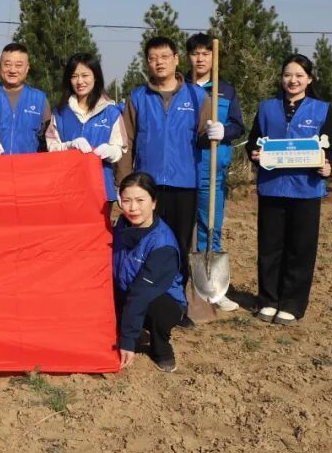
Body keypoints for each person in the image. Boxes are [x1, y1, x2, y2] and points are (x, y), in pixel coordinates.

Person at [245, 55, 332, 326]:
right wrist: (255, 154)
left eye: (299, 75)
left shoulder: (322, 109)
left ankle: (292, 304)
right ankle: (268, 299)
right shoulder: (267, 108)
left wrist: (328, 165)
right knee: (270, 247)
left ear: (309, 79)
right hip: (272, 187)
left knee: (300, 248)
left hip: (306, 190)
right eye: (287, 75)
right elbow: (253, 142)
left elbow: (330, 146)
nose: (292, 80)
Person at [115, 37, 215, 266]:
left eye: (164, 57)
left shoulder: (197, 96)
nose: (159, 62)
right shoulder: (138, 98)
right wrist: (122, 182)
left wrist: (214, 134)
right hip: (146, 185)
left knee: (180, 242)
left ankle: (177, 286)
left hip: (184, 183)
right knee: (145, 241)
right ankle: (145, 284)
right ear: (147, 63)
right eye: (153, 58)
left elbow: (204, 138)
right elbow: (126, 142)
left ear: (176, 59)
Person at [187, 33, 246, 312]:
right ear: (187, 57)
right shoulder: (180, 88)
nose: (200, 59)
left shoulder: (226, 90)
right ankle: (181, 284)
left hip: (212, 170)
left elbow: (238, 126)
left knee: (210, 225)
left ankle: (211, 287)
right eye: (195, 53)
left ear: (213, 57)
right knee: (177, 228)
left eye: (205, 53)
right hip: (183, 169)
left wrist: (224, 131)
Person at [113, 172, 188, 373]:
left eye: (140, 200)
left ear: (154, 203)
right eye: (126, 201)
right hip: (126, 290)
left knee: (159, 309)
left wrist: (127, 340)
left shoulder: (162, 245)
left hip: (157, 297)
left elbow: (141, 293)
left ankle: (161, 348)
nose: (133, 208)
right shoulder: (121, 224)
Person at [46, 52, 126, 207]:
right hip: (66, 190)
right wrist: (70, 145)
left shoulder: (111, 112)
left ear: (95, 77)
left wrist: (110, 151)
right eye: (74, 76)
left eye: (85, 75)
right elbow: (51, 147)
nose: (80, 81)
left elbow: (120, 148)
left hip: (101, 190)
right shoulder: (60, 113)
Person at [0, 42, 51, 155]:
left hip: (28, 164)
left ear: (27, 68)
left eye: (18, 65)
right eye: (7, 64)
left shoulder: (40, 99)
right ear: (0, 66)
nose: (12, 70)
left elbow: (50, 139)